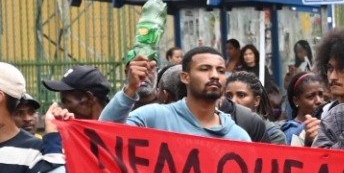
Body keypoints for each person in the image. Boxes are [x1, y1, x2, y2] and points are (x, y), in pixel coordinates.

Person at [102, 47, 250, 143]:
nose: (214, 76)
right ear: (185, 77)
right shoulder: (154, 117)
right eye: (205, 69)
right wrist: (130, 89)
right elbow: (103, 134)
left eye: (221, 71)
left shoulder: (239, 138)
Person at [282, 73, 326, 146]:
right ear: (296, 100)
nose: (319, 101)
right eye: (310, 96)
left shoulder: (328, 123)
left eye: (321, 94)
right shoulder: (290, 132)